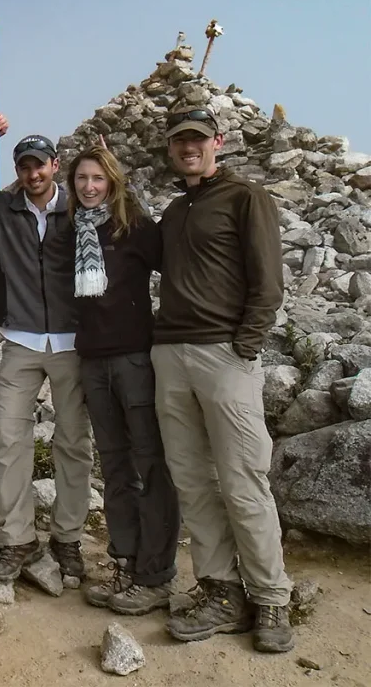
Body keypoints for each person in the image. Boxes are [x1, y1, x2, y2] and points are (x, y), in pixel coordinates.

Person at [150, 104, 293, 652]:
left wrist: (244, 348)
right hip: (170, 356)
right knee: (192, 481)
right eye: (181, 140)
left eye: (199, 139)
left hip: (223, 356)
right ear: (170, 149)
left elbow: (267, 282)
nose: (190, 147)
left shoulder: (245, 198)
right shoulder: (175, 210)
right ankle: (221, 591)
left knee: (243, 481)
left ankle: (272, 599)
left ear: (220, 142)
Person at [0, 115, 94, 584]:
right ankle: (16, 539)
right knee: (10, 441)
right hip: (20, 342)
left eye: (40, 165)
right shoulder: (0, 209)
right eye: (24, 166)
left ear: (56, 165)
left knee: (73, 443)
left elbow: (129, 216)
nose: (33, 174)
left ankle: (68, 538)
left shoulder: (82, 209)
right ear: (18, 170)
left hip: (75, 343)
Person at [64, 145, 181, 615]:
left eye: (98, 178)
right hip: (92, 360)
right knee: (114, 467)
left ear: (111, 182)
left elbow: (176, 266)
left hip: (135, 358)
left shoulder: (134, 227)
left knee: (151, 465)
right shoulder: (71, 231)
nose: (89, 187)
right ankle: (126, 563)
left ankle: (156, 576)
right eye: (81, 180)